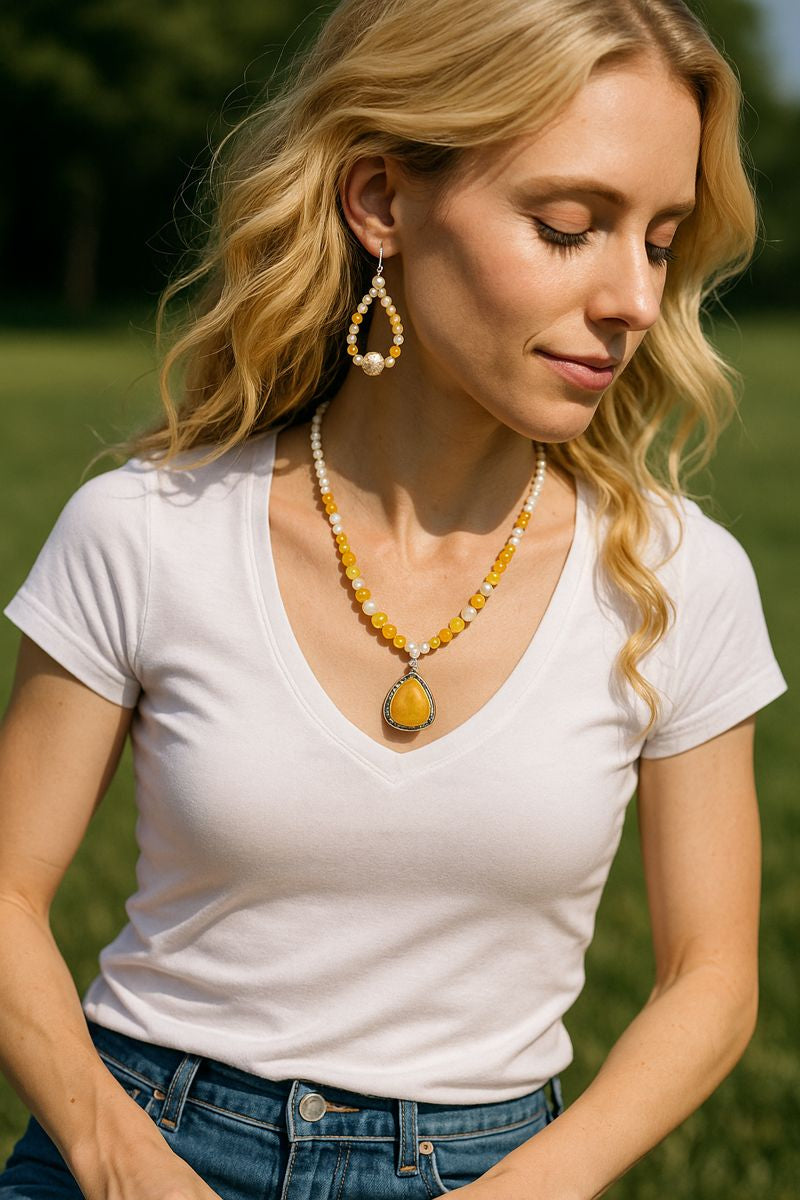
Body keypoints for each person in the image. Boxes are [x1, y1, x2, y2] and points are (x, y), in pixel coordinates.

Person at [0, 0, 788, 1198]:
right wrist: (117, 1163)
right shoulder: (147, 532)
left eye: (659, 239)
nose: (632, 297)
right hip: (138, 1139)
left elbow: (712, 978)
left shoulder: (680, 579)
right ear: (380, 202)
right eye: (568, 226)